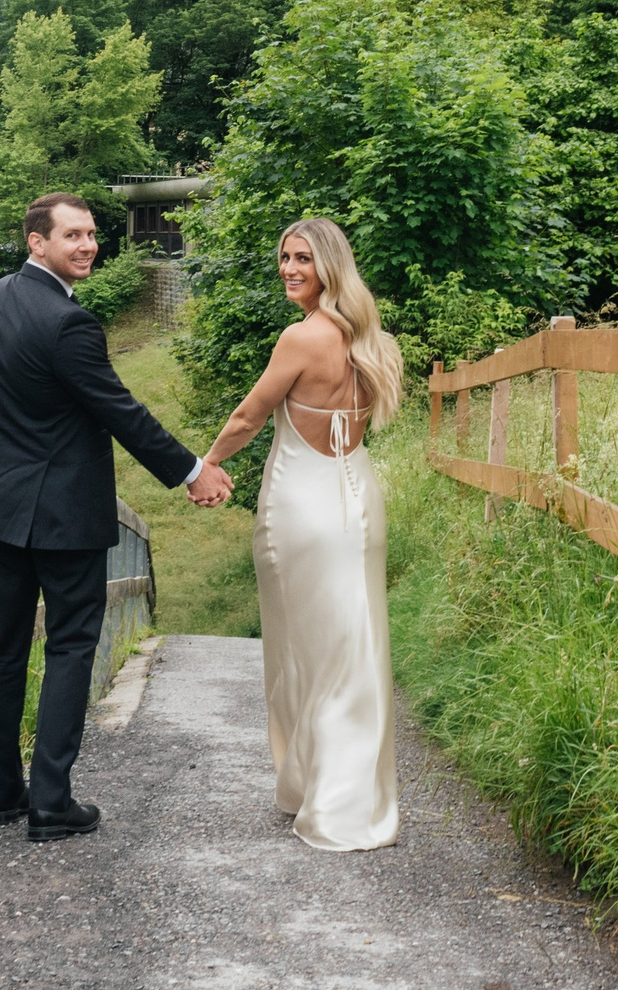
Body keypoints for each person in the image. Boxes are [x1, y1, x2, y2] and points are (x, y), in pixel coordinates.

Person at [0, 192, 233, 842]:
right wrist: (192, 469)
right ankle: (50, 802)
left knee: (0, 647)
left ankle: (5, 793)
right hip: (61, 514)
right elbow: (120, 410)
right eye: (73, 235)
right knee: (70, 644)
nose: (87, 245)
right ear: (36, 241)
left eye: (91, 234)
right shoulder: (68, 322)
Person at [195, 216, 400, 850]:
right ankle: (340, 793)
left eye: (303, 259)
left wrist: (207, 464)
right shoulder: (371, 340)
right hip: (358, 499)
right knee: (354, 646)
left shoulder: (302, 337)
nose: (289, 268)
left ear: (329, 267)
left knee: (305, 651)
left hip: (304, 508)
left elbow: (249, 414)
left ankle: (326, 799)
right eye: (284, 256)